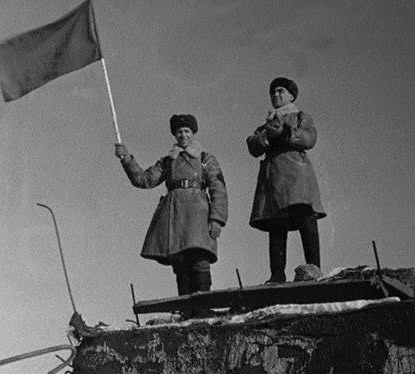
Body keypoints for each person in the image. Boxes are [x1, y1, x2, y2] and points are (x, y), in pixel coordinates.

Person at [115, 114, 228, 296]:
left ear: (193, 133)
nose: (183, 135)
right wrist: (126, 159)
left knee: (200, 258)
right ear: (175, 135)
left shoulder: (206, 159)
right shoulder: (168, 161)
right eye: (179, 132)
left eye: (187, 131)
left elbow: (218, 189)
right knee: (180, 262)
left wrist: (217, 219)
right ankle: (185, 306)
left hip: (198, 215)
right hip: (174, 215)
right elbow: (144, 180)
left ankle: (203, 305)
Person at [247, 77, 326, 283]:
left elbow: (309, 138)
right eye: (273, 92)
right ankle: (277, 275)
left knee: (306, 219)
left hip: (297, 176)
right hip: (273, 181)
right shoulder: (265, 124)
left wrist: (284, 132)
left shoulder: (301, 116)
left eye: (280, 91)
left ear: (291, 96)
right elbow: (253, 146)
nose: (276, 95)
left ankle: (314, 269)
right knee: (276, 226)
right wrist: (267, 135)